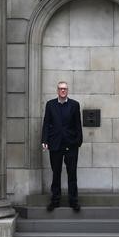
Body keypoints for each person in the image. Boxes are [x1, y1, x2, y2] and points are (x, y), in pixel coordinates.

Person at [42, 81, 83, 212]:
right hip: (55, 144)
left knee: (72, 174)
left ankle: (73, 201)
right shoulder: (50, 104)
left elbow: (78, 124)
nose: (63, 91)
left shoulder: (74, 105)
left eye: (65, 89)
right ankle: (55, 201)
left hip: (71, 144)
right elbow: (46, 123)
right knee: (56, 173)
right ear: (57, 90)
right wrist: (44, 140)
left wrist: (78, 141)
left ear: (68, 91)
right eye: (60, 89)